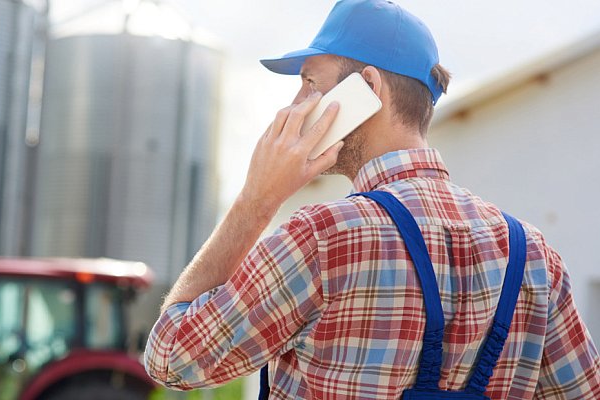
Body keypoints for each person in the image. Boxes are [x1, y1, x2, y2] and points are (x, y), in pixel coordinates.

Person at [144, 0, 600, 398]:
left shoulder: (320, 238)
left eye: (310, 82)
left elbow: (171, 357)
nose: (296, 103)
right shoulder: (534, 255)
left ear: (368, 87)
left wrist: (255, 201)